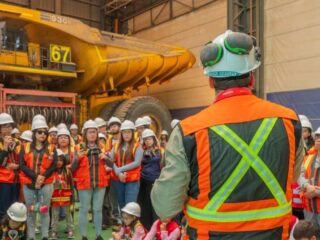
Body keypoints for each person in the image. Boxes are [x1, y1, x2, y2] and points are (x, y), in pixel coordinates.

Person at [151, 30, 304, 239]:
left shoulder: (189, 131)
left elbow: (165, 206)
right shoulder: (289, 122)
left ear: (211, 82)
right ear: (251, 77)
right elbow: (290, 175)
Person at [19, 117, 57, 240]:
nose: (43, 134)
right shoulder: (24, 147)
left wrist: (43, 177)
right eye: (39, 132)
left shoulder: (52, 148)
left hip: (46, 185)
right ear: (34, 133)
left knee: (44, 210)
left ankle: (45, 236)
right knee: (31, 211)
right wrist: (36, 177)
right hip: (29, 184)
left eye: (45, 132)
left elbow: (54, 165)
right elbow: (22, 165)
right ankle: (31, 237)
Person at [71, 119, 109, 240]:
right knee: (83, 209)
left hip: (100, 183)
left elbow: (111, 164)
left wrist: (106, 158)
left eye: (94, 132)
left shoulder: (103, 147)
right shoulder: (78, 147)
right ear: (85, 134)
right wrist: (77, 158)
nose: (92, 134)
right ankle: (84, 236)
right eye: (90, 132)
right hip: (84, 183)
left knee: (97, 209)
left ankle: (98, 235)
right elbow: (72, 168)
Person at [109, 120, 143, 209]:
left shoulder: (137, 145)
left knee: (130, 205)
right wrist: (118, 173)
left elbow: (137, 162)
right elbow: (110, 160)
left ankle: (131, 223)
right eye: (124, 132)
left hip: (132, 180)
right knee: (121, 204)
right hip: (118, 179)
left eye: (129, 132)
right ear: (121, 133)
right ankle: (123, 223)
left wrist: (119, 169)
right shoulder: (116, 145)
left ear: (132, 133)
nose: (126, 134)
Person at [138, 129, 163, 230]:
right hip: (143, 180)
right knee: (145, 203)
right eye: (145, 140)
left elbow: (160, 161)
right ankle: (147, 226)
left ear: (153, 139)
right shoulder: (141, 151)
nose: (148, 141)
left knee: (155, 203)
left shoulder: (160, 150)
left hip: (155, 180)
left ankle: (156, 226)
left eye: (149, 139)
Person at [0, 113, 20, 220]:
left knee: (15, 208)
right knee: (3, 209)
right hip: (3, 181)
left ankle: (12, 232)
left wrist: (16, 166)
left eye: (10, 126)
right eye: (4, 126)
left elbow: (23, 160)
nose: (8, 129)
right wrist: (5, 146)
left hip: (16, 180)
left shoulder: (17, 142)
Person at [299, 127, 320, 229]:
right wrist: (306, 186)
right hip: (309, 209)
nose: (318, 139)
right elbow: (300, 174)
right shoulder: (308, 157)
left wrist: (316, 192)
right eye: (317, 136)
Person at [51, 149, 74, 239]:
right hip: (54, 196)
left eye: (61, 160)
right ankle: (54, 231)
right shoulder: (51, 171)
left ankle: (70, 230)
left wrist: (72, 197)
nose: (59, 162)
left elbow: (71, 185)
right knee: (55, 214)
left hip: (66, 196)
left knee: (68, 214)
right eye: (56, 160)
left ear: (64, 161)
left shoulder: (68, 171)